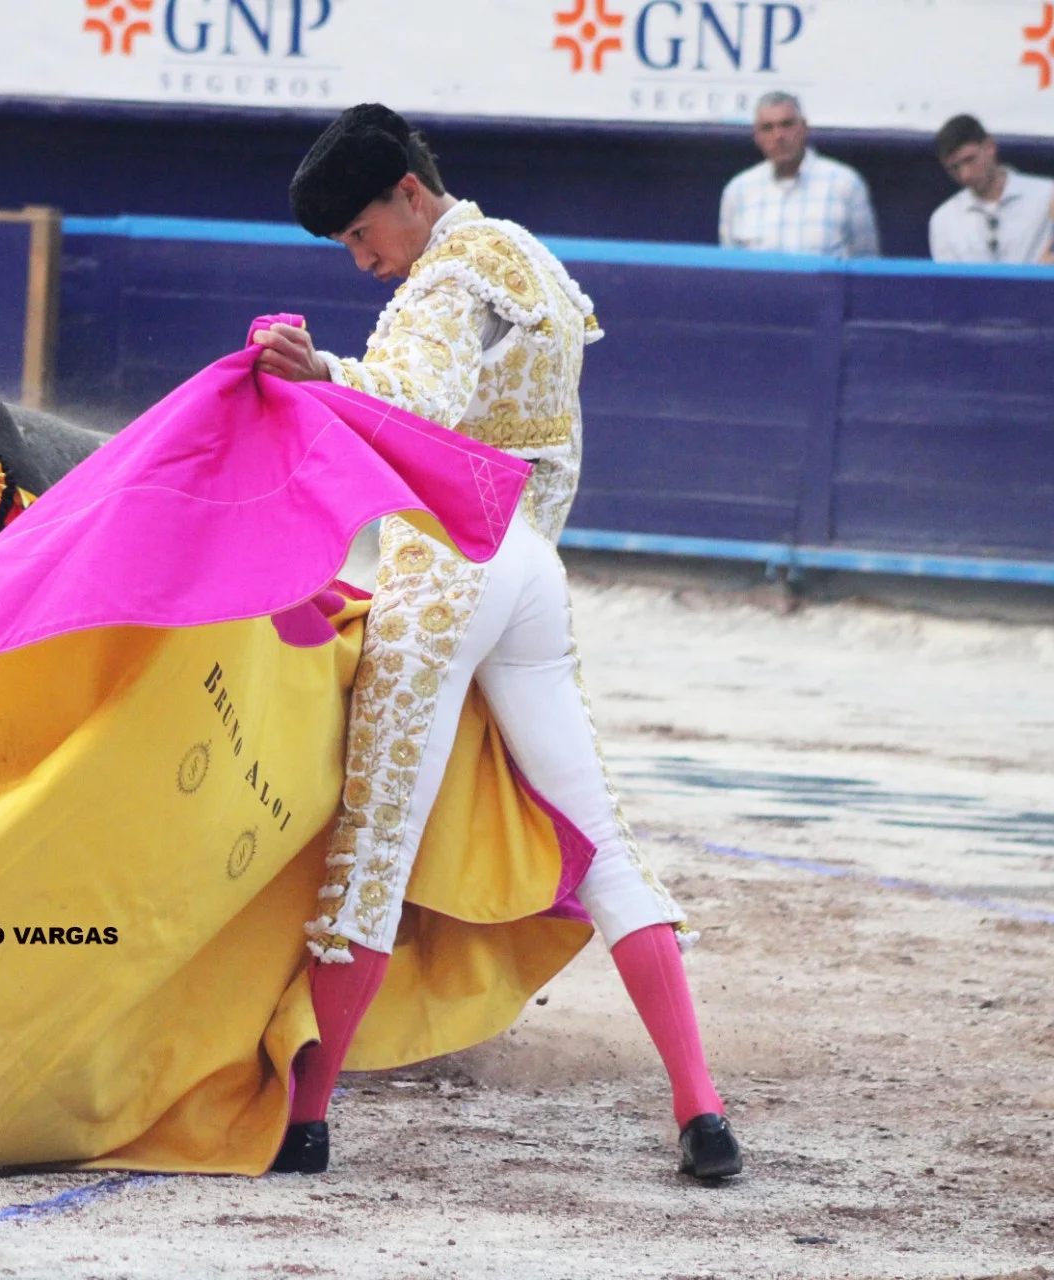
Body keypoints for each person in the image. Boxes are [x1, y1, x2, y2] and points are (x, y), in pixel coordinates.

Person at [251, 104, 740, 1181]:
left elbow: (415, 401)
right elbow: (552, 449)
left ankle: (308, 1118)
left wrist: (319, 374)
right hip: (531, 569)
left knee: (373, 848)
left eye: (361, 233)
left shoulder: (441, 280)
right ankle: (700, 1105)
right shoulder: (528, 259)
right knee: (600, 837)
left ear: (409, 196)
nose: (362, 258)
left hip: (442, 569)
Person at [719, 91, 879, 258]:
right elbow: (731, 267)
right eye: (767, 128)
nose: (778, 136)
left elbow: (866, 264)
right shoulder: (737, 191)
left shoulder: (845, 185)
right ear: (757, 137)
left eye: (786, 125)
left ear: (804, 128)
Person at [928, 114, 1054, 264]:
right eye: (954, 168)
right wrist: (1035, 277)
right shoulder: (943, 220)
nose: (965, 175)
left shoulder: (1046, 194)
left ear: (990, 147)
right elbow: (952, 291)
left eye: (970, 160)